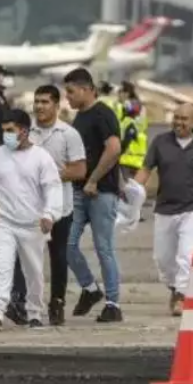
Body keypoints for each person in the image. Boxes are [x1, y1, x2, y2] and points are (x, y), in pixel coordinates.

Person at [6, 85, 87, 326]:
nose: (40, 106)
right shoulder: (25, 131)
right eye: (37, 101)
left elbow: (79, 170)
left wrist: (46, 175)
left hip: (60, 206)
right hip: (27, 206)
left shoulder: (68, 134)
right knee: (22, 255)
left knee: (58, 255)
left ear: (56, 105)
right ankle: (19, 301)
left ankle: (57, 302)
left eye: (45, 102)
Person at [0, 109, 63, 331]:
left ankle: (34, 312)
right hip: (3, 221)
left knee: (33, 272)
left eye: (10, 130)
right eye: (3, 130)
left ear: (24, 131)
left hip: (33, 225)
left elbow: (53, 189)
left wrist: (49, 214)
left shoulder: (41, 158)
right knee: (1, 266)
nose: (5, 135)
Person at [134, 103, 193, 316]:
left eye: (184, 119)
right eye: (177, 117)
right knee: (162, 259)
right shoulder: (160, 142)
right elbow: (145, 170)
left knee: (186, 254)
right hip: (164, 209)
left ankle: (182, 295)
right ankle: (175, 287)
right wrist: (133, 191)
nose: (179, 122)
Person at [63, 68, 124, 323]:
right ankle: (90, 289)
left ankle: (113, 304)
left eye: (71, 91)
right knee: (67, 244)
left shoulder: (103, 114)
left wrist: (94, 180)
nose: (67, 97)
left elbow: (113, 149)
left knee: (104, 248)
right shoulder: (79, 119)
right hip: (79, 192)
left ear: (86, 89)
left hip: (100, 192)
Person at [118, 98, 148, 181]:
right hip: (139, 161)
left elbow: (126, 141)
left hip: (126, 160)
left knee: (128, 188)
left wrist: (118, 154)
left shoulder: (126, 122)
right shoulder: (142, 123)